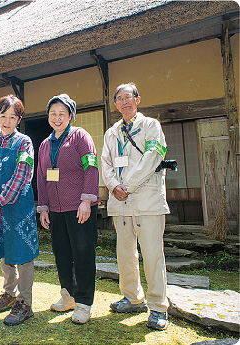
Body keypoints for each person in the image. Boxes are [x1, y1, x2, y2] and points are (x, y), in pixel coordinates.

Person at [101, 82, 170, 331]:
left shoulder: (152, 125)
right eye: (119, 98)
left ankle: (159, 307)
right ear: (116, 104)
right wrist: (113, 186)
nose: (124, 102)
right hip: (121, 204)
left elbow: (153, 156)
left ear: (137, 99)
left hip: (147, 201)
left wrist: (126, 186)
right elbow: (105, 163)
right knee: (125, 254)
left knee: (153, 255)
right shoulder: (111, 133)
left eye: (128, 97)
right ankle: (132, 298)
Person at [37, 94, 99, 324]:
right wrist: (43, 208)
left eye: (62, 113)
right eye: (53, 113)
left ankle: (84, 303)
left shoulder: (80, 136)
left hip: (78, 207)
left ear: (71, 115)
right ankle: (68, 295)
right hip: (55, 210)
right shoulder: (45, 144)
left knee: (83, 254)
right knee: (62, 254)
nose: (57, 117)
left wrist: (86, 200)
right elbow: (41, 178)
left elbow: (91, 166)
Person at [0, 95, 39, 326]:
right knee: (5, 252)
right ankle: (9, 293)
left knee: (22, 253)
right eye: (3, 116)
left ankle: (25, 302)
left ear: (19, 120)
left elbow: (22, 173)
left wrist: (0, 200)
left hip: (17, 207)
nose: (7, 121)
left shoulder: (24, 143)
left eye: (13, 117)